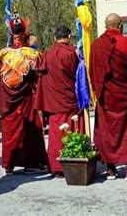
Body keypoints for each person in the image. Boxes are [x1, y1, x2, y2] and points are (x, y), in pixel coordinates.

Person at [90, 13, 127, 181]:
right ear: (120, 26)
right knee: (126, 129)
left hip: (105, 94)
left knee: (107, 131)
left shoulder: (96, 45)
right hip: (124, 93)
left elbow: (92, 71)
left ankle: (111, 170)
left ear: (106, 26)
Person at [0, 13, 47, 175]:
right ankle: (32, 163)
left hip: (9, 100)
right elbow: (40, 77)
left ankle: (8, 165)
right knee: (31, 129)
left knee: (10, 130)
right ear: (25, 34)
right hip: (27, 97)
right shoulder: (33, 54)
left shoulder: (1, 54)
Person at [34, 26, 83, 178]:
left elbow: (41, 78)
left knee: (56, 134)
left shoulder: (46, 55)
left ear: (55, 38)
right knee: (73, 130)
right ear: (69, 36)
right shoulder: (73, 53)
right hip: (70, 100)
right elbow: (80, 76)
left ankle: (56, 168)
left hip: (54, 103)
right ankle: (75, 163)